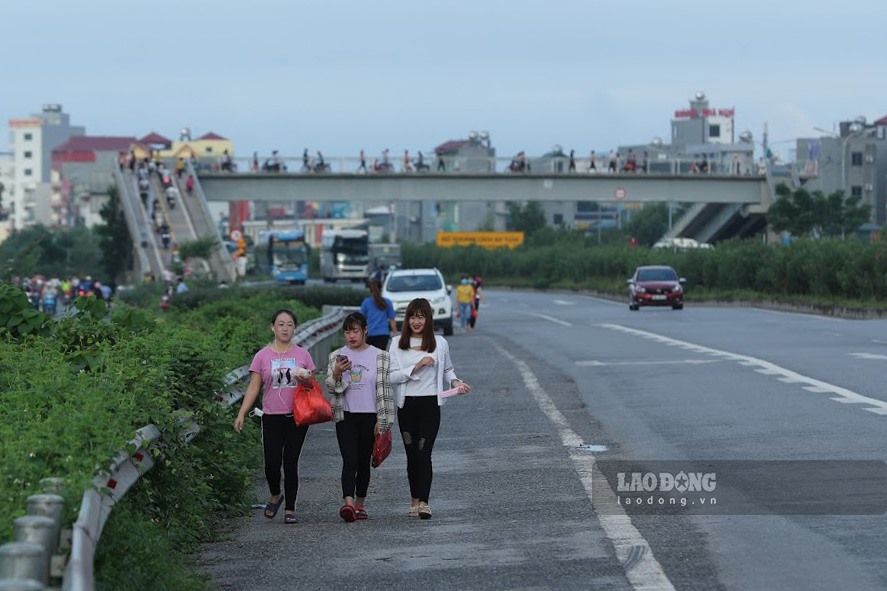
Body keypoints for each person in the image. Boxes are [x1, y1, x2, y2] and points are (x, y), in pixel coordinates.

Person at [389, 298, 470, 519]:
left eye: (421, 316)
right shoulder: (397, 343)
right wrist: (416, 366)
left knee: (424, 453)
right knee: (411, 454)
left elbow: (448, 371)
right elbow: (392, 376)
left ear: (428, 319)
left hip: (429, 406)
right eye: (413, 316)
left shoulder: (440, 343)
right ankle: (413, 500)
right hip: (406, 406)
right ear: (407, 319)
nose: (417, 321)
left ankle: (424, 502)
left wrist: (456, 383)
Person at [234, 309, 316, 524]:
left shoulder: (302, 355)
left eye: (289, 324)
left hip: (296, 416)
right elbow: (253, 388)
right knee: (271, 462)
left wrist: (305, 378)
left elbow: (312, 387)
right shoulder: (263, 356)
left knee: (290, 461)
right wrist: (242, 413)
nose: (285, 328)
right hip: (271, 416)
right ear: (273, 327)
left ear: (294, 328)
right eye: (281, 324)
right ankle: (274, 493)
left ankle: (290, 509)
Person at [325, 312, 395, 522]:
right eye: (347, 332)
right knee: (350, 460)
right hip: (345, 414)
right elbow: (331, 388)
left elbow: (385, 390)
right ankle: (348, 504)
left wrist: (382, 421)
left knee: (364, 462)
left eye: (355, 331)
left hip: (370, 416)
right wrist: (337, 372)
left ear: (365, 330)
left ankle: (360, 504)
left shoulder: (380, 356)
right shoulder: (337, 356)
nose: (351, 336)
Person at [360, 277, 397, 351]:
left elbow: (361, 319)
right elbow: (392, 320)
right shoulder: (387, 302)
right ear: (381, 288)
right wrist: (395, 334)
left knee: (370, 358)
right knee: (380, 358)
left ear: (370, 289)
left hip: (370, 334)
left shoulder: (366, 302)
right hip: (384, 334)